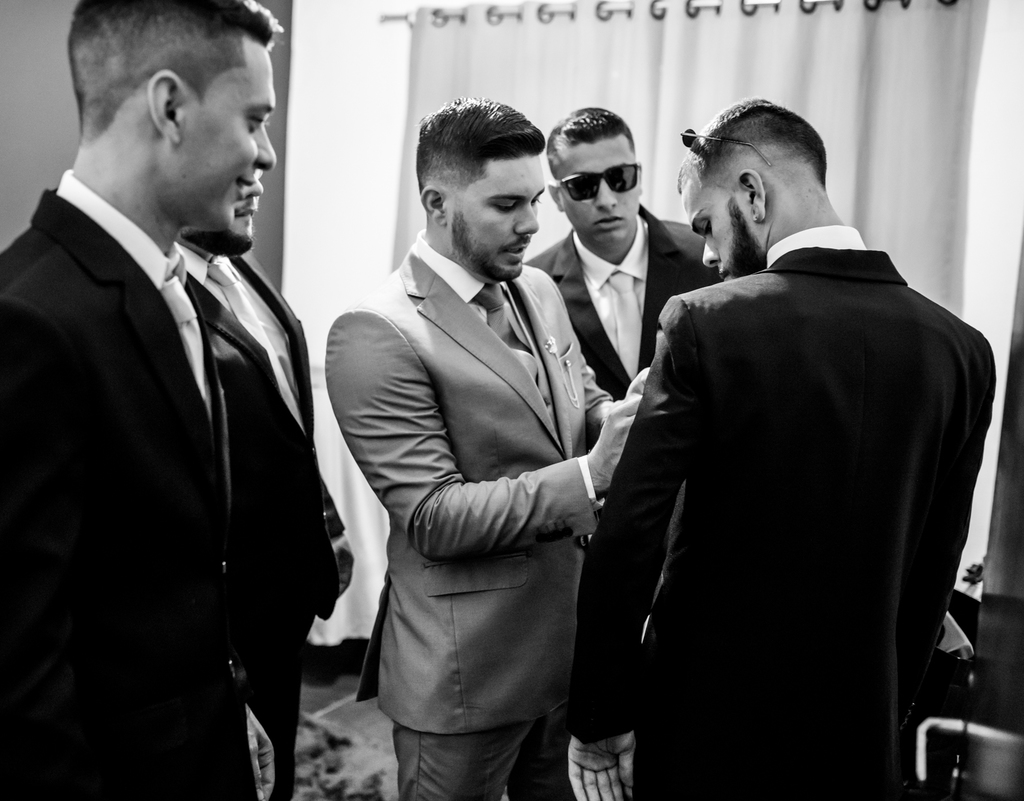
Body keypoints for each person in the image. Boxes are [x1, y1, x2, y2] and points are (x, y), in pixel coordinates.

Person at [565, 98, 996, 801]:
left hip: (703, 728)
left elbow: (630, 535)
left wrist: (599, 718)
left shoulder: (704, 324)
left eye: (706, 224)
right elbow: (932, 568)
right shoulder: (962, 351)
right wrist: (886, 715)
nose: (707, 254)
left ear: (753, 194)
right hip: (859, 739)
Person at [0, 2, 282, 799]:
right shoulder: (16, 326)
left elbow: (170, 574)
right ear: (170, 107)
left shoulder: (172, 290)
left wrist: (227, 703)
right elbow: (4, 692)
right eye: (254, 120)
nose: (266, 152)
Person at [326, 97, 641, 801]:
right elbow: (434, 516)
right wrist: (591, 475)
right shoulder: (376, 331)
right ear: (437, 203)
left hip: (568, 653)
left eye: (535, 201)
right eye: (506, 204)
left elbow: (578, 405)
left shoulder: (538, 287)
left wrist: (626, 417)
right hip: (465, 678)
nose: (532, 223)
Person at [177, 170, 354, 801]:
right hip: (226, 612)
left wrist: (325, 529)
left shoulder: (237, 268)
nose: (259, 180)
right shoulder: (160, 300)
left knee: (275, 765)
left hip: (284, 598)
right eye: (242, 162)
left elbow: (285, 421)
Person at [530, 108, 718, 400]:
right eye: (583, 185)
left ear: (638, 177)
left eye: (619, 177)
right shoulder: (532, 288)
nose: (606, 200)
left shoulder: (710, 258)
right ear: (557, 197)